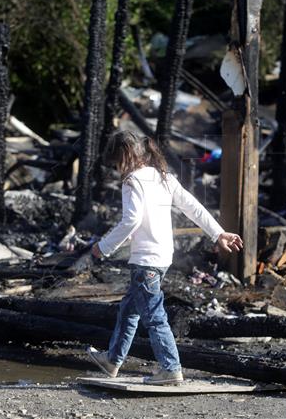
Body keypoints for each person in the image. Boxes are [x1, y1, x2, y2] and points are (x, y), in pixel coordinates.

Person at [86, 131, 243, 385]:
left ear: (124, 157)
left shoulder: (132, 181)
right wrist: (218, 233)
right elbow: (193, 206)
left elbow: (131, 220)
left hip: (146, 260)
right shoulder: (164, 178)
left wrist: (103, 247)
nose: (116, 170)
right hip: (162, 257)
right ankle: (112, 360)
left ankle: (170, 368)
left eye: (116, 164)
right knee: (129, 309)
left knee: (154, 316)